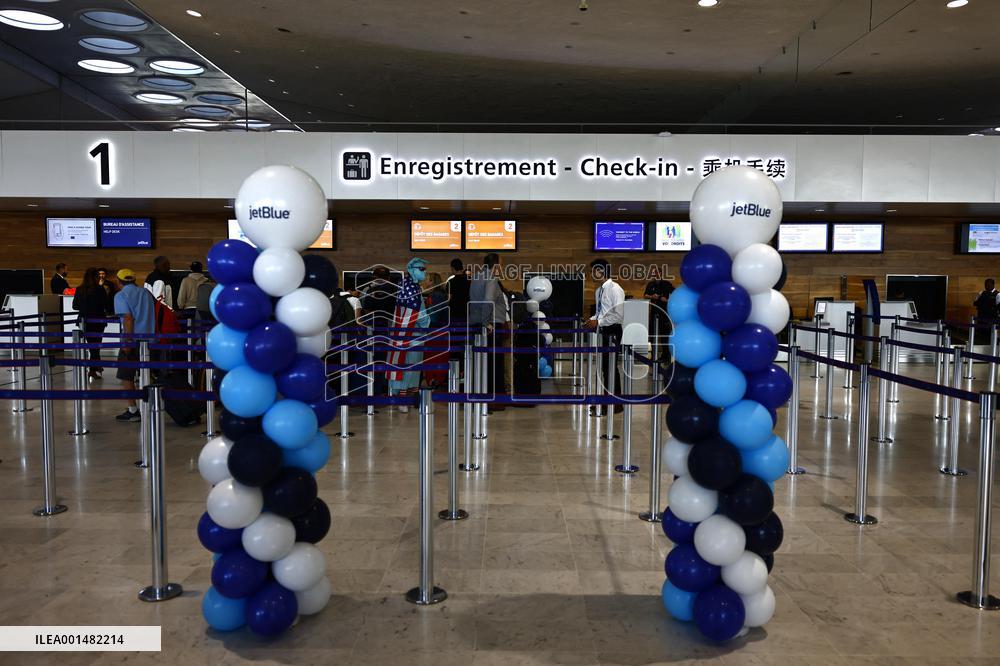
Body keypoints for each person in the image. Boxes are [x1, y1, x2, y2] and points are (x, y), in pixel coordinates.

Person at [386, 258, 430, 410]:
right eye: (421, 269)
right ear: (412, 270)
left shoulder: (408, 286)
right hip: (411, 333)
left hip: (410, 332)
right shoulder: (410, 288)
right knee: (409, 365)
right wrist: (426, 323)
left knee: (411, 365)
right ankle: (404, 399)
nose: (424, 271)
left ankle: (408, 396)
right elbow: (419, 313)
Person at [113, 268, 156, 422]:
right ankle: (152, 406)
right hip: (150, 340)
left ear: (119, 282)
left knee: (126, 376)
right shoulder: (145, 293)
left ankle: (133, 410)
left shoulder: (121, 295)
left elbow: (128, 319)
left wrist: (127, 341)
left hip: (133, 341)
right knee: (148, 374)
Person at [584, 259, 625, 416]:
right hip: (603, 330)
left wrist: (598, 321)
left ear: (601, 271)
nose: (592, 274)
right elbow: (601, 311)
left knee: (610, 367)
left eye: (594, 270)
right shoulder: (598, 291)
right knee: (604, 367)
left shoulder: (615, 289)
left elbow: (618, 315)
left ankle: (616, 403)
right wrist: (592, 319)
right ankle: (607, 400)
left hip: (613, 330)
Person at [469, 253, 509, 409]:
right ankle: (495, 401)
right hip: (491, 326)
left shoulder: (476, 277)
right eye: (501, 264)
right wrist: (487, 323)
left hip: (477, 324)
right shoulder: (491, 278)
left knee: (481, 364)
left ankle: (481, 396)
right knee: (494, 365)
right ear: (496, 265)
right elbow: (487, 301)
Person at [360, 266, 397, 395]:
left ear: (374, 277)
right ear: (389, 277)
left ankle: (377, 389)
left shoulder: (369, 290)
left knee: (377, 358)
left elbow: (365, 310)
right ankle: (391, 388)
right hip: (394, 329)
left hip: (376, 328)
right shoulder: (397, 290)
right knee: (393, 358)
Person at [72, 267, 112, 380]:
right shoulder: (100, 289)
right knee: (95, 346)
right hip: (98, 321)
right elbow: (106, 305)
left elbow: (74, 306)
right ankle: (94, 369)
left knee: (91, 346)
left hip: (84, 321)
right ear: (96, 277)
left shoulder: (79, 289)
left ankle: (96, 367)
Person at [644, 278, 675, 362]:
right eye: (654, 273)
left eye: (657, 273)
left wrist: (667, 300)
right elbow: (645, 295)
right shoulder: (651, 284)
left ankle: (666, 356)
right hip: (654, 313)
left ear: (661, 274)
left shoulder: (667, 284)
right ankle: (653, 356)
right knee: (653, 336)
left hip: (664, 314)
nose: (656, 275)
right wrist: (652, 296)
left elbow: (675, 293)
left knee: (664, 337)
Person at [446, 258, 470, 325]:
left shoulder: (451, 282)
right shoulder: (469, 281)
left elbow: (448, 299)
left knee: (454, 333)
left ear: (453, 268)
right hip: (467, 311)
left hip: (454, 312)